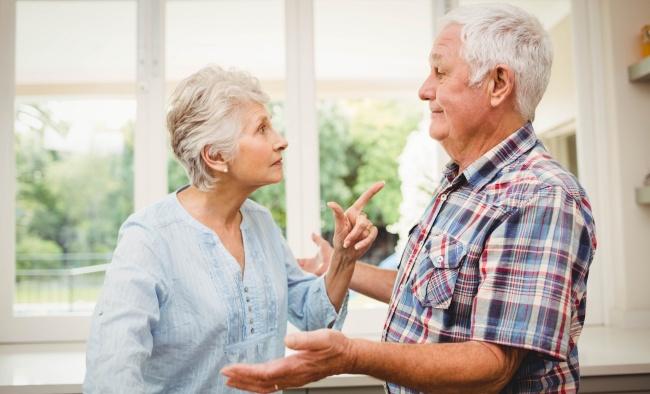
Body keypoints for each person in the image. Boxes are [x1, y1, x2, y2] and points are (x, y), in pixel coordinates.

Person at [221, 3, 597, 393]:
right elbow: (432, 292)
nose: (424, 89)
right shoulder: (462, 182)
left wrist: (352, 356)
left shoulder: (540, 195)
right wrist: (343, 265)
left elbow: (492, 365)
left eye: (440, 71)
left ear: (498, 84)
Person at [83, 65, 384, 393]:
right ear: (215, 156)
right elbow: (112, 377)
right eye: (262, 129)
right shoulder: (149, 238)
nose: (281, 141)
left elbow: (314, 318)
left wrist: (343, 257)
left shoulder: (261, 222)